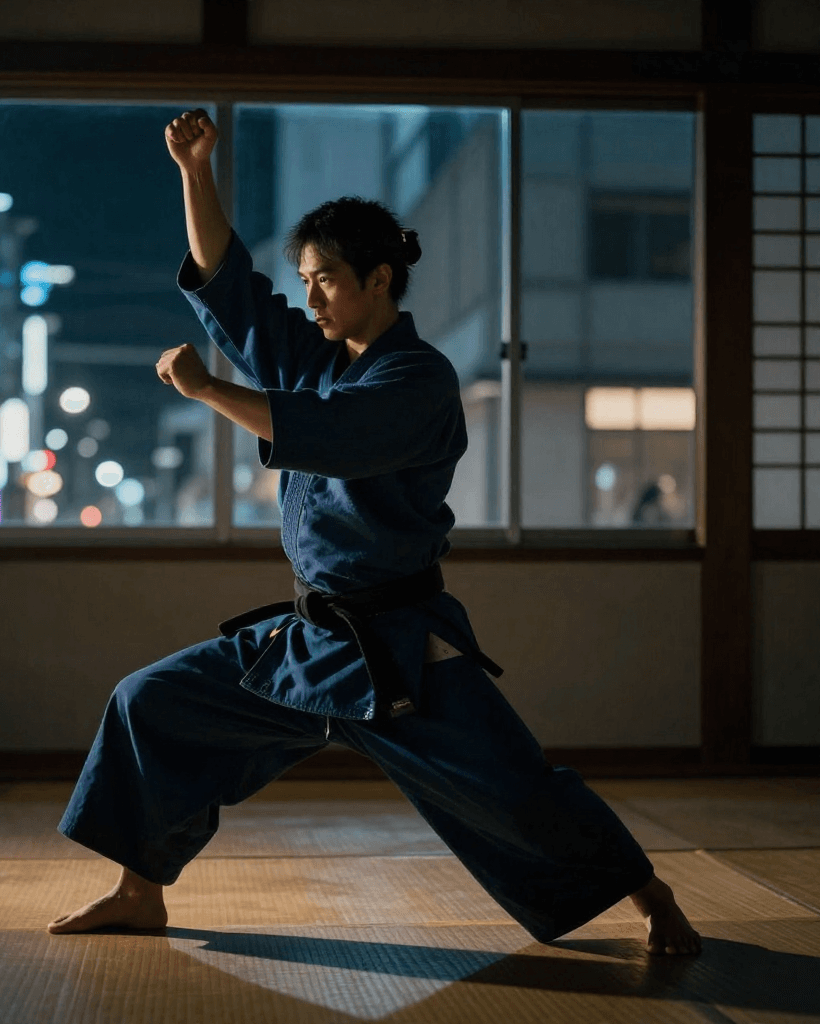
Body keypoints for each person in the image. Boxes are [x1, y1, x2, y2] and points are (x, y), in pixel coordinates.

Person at [48, 109, 701, 956]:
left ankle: (652, 897)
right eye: (306, 278)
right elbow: (229, 287)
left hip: (399, 647)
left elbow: (327, 432)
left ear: (381, 279)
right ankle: (140, 892)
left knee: (515, 790)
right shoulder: (315, 356)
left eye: (325, 279)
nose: (310, 295)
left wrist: (211, 392)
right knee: (151, 702)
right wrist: (195, 171)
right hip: (310, 637)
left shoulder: (417, 380)